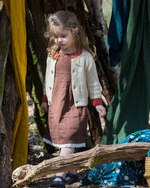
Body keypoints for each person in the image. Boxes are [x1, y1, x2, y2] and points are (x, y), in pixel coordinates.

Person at [41, 11, 106, 188]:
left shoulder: (85, 57)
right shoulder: (53, 56)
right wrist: (45, 100)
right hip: (57, 104)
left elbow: (93, 83)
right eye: (55, 37)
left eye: (63, 36)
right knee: (65, 140)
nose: (59, 40)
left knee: (69, 139)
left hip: (75, 106)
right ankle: (72, 174)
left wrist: (98, 103)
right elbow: (47, 79)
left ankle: (60, 174)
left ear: (74, 31)